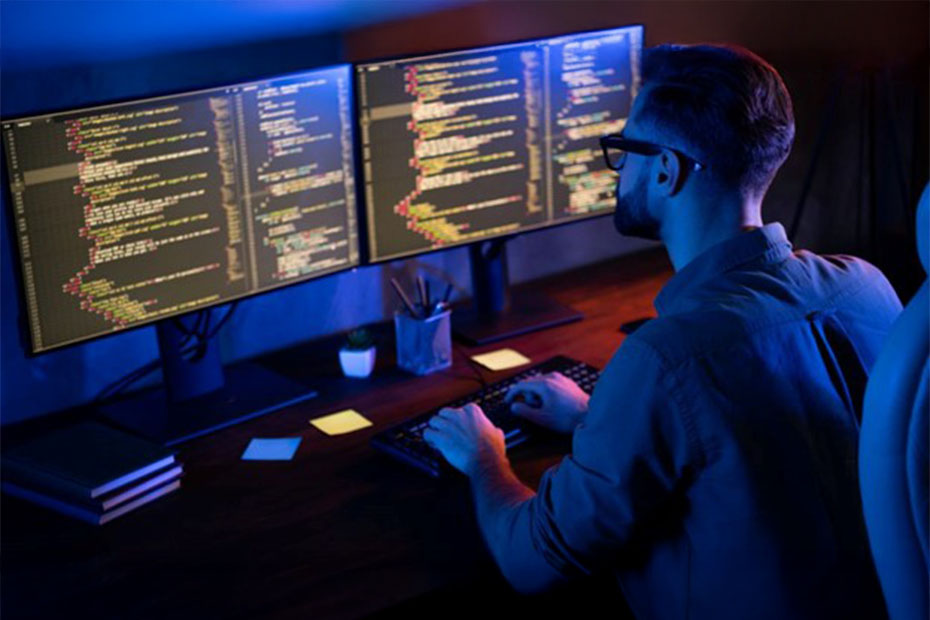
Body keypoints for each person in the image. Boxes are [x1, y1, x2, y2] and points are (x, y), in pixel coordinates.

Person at [423, 44, 902, 620]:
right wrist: (593, 418)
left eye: (624, 151)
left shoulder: (667, 358)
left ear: (666, 169)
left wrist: (483, 458)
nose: (620, 168)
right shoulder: (866, 286)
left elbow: (531, 561)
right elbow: (774, 439)